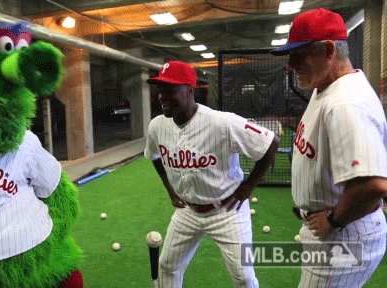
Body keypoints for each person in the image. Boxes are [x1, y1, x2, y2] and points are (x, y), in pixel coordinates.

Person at [271, 8, 387, 287]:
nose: (290, 65)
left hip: (343, 234)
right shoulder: (325, 87)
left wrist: (333, 220)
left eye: (298, 55)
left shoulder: (346, 103)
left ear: (328, 51)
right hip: (334, 231)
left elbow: (374, 185)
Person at [144, 60, 280, 288]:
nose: (162, 96)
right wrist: (169, 188)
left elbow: (271, 142)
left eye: (170, 90)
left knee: (244, 277)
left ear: (189, 91)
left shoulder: (222, 123)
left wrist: (248, 187)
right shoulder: (157, 126)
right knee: (167, 266)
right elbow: (155, 156)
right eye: (160, 90)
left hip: (227, 210)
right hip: (188, 211)